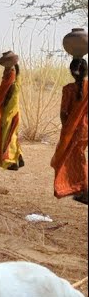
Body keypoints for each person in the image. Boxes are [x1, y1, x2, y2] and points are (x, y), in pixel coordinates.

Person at [51, 57, 88, 203]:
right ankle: (79, 188)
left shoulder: (68, 89)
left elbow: (63, 113)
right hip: (86, 129)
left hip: (73, 130)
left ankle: (84, 190)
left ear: (72, 73)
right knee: (79, 157)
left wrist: (66, 130)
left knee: (75, 158)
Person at [0, 51, 24, 171]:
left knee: (9, 131)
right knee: (10, 131)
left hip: (10, 107)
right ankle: (17, 158)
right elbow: (2, 90)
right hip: (10, 106)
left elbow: (8, 92)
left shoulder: (12, 74)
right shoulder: (9, 73)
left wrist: (0, 103)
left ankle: (11, 161)